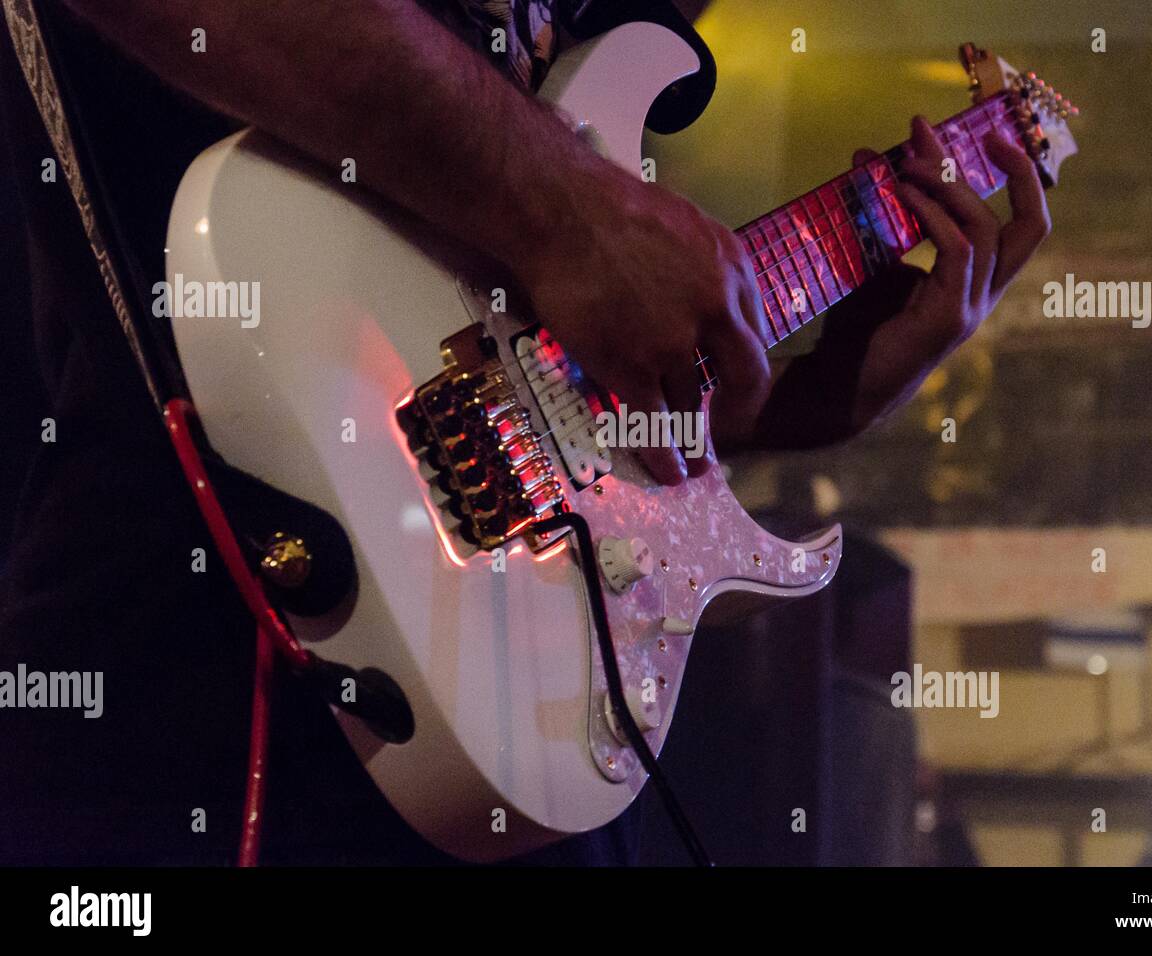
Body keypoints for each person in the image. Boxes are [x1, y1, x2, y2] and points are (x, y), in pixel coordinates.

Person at [0, 0, 1049, 865]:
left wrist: (727, 408)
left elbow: (514, 309)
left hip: (525, 707)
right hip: (205, 672)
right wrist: (571, 211)